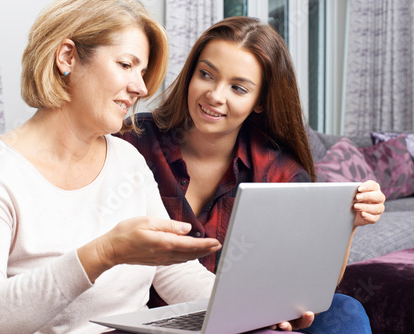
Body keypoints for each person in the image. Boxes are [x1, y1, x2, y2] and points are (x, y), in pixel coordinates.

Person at [0, 1, 224, 333]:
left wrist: (256, 306)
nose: (141, 88)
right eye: (126, 64)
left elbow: (172, 272)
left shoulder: (127, 160)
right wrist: (102, 253)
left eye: (142, 71)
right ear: (67, 57)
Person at [119, 16, 386, 333]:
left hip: (245, 317)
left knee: (345, 310)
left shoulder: (278, 171)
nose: (216, 95)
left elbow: (304, 284)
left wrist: (348, 222)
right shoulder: (132, 140)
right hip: (148, 316)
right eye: (206, 75)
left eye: (238, 88)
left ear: (259, 102)